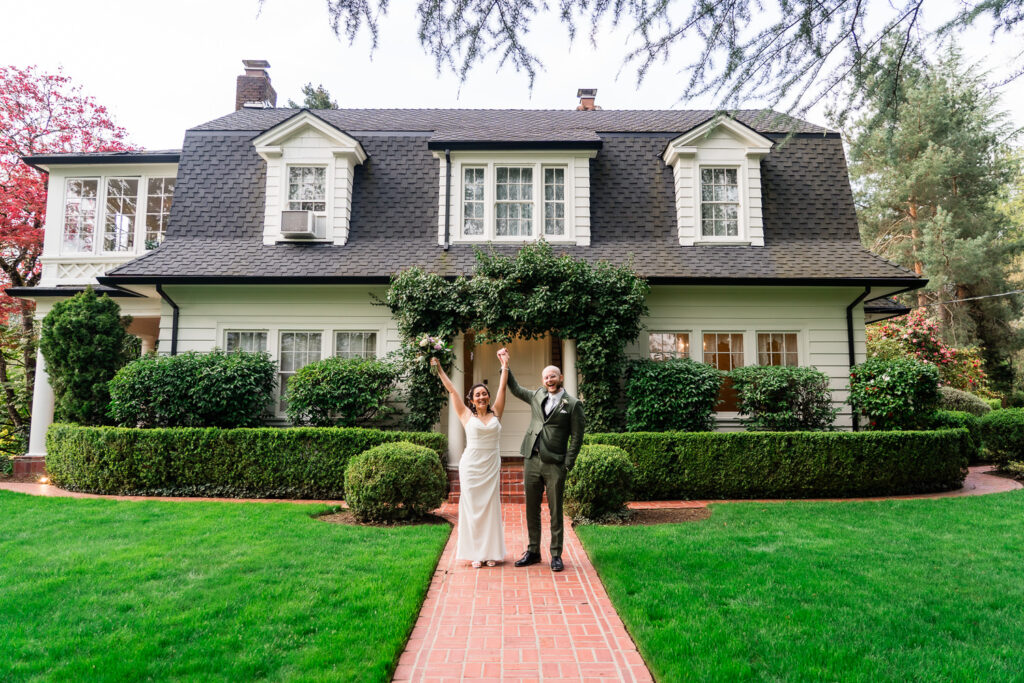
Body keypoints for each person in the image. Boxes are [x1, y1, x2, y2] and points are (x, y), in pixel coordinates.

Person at [498, 348, 585, 572]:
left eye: (553, 376)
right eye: (546, 377)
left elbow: (577, 437)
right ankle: (533, 551)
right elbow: (515, 389)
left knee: (556, 510)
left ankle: (556, 554)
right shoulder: (537, 395)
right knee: (531, 509)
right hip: (531, 459)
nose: (549, 380)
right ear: (543, 380)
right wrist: (505, 365)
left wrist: (568, 462)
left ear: (560, 378)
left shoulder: (573, 404)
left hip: (555, 463)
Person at [431, 353, 508, 568]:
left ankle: (491, 552)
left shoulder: (497, 413)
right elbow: (452, 390)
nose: (482, 397)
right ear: (472, 400)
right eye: (478, 395)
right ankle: (475, 552)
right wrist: (438, 369)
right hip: (471, 467)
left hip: (491, 465)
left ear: (488, 397)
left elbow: (502, 389)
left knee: (490, 508)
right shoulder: (466, 416)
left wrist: (505, 366)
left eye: (484, 394)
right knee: (472, 508)